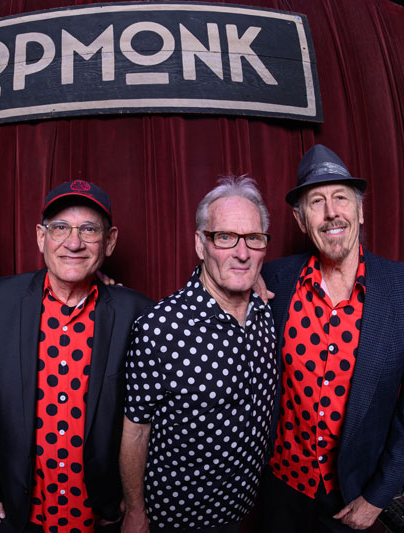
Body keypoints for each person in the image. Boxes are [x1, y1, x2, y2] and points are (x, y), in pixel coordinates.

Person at [257, 145, 404, 532]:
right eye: (316, 202)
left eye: (340, 197)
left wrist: (378, 497)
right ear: (300, 220)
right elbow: (217, 284)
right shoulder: (273, 280)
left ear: (359, 210)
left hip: (354, 493)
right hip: (279, 485)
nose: (331, 212)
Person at [0, 180, 153, 533]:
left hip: (100, 510)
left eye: (89, 230)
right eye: (60, 228)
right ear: (41, 237)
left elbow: (151, 418)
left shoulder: (138, 314)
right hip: (18, 507)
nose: (74, 242)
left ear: (110, 241)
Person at [119, 177, 279, 533]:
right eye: (225, 237)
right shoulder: (159, 327)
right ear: (200, 244)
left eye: (253, 238)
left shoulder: (267, 310)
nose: (242, 252)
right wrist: (135, 510)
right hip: (176, 517)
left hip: (240, 508)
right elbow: (136, 430)